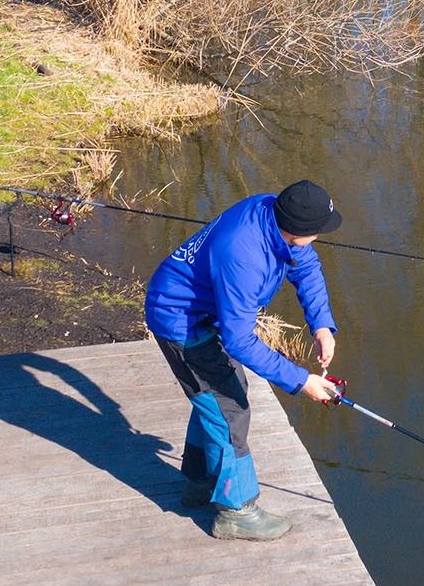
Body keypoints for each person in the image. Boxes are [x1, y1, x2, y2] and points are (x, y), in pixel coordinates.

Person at [145, 180, 345, 541]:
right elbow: (239, 340)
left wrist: (322, 326)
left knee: (216, 400)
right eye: (316, 231)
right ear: (296, 228)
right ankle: (235, 511)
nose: (319, 237)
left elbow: (305, 266)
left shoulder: (275, 214)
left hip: (207, 313)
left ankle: (200, 482)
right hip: (180, 319)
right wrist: (302, 381)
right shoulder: (245, 255)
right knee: (228, 409)